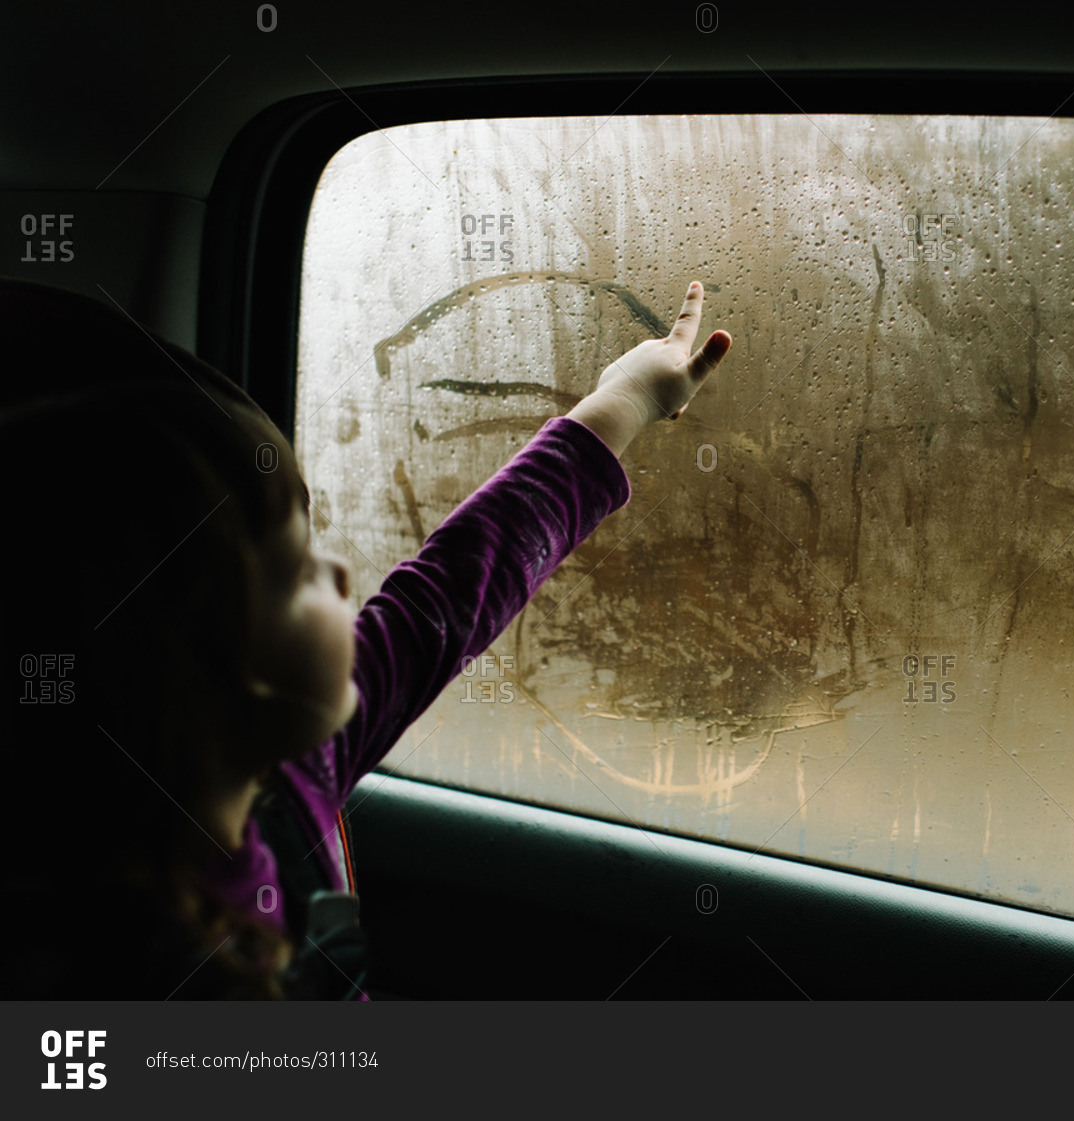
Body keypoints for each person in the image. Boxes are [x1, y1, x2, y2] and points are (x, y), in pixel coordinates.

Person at [0, 278, 730, 998]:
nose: (342, 573)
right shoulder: (116, 969)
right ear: (208, 665)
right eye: (299, 569)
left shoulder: (287, 768)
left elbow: (455, 588)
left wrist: (624, 399)